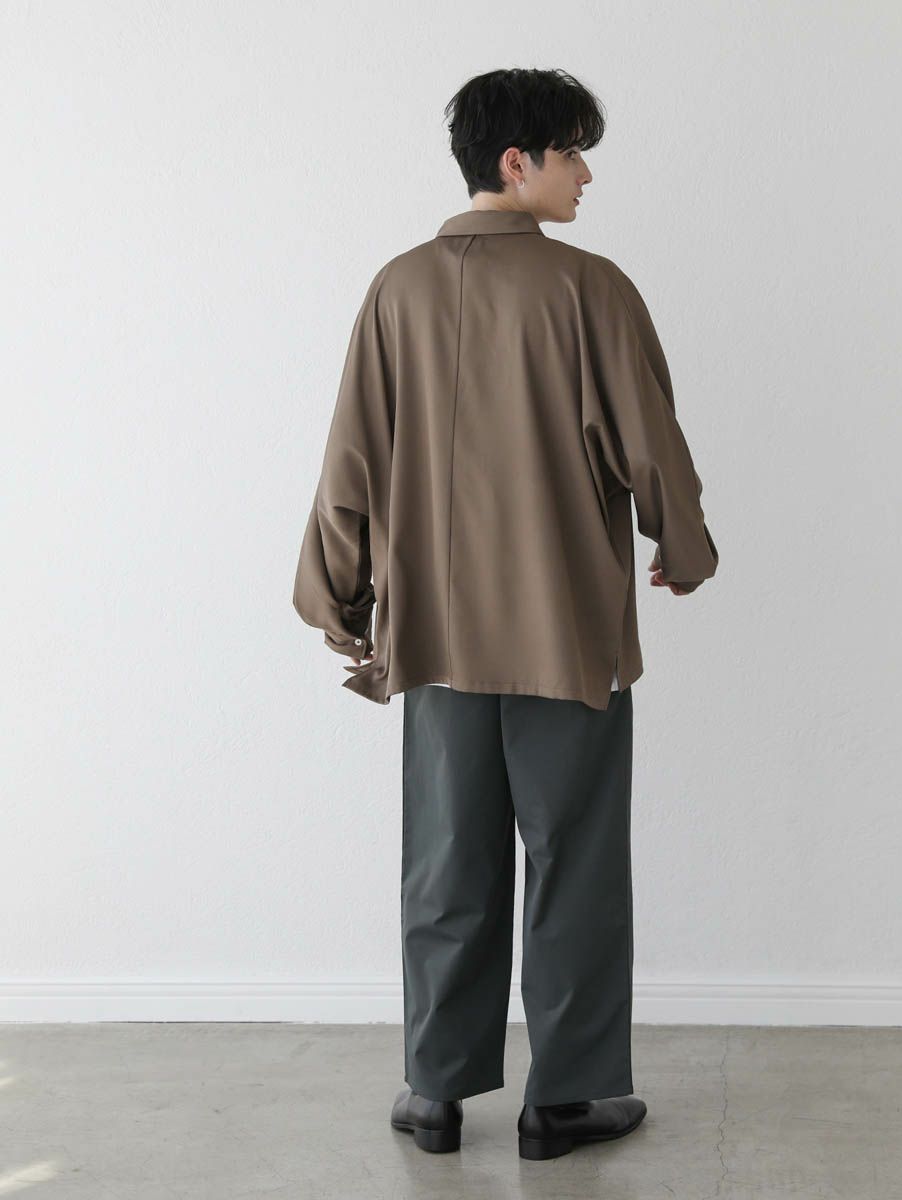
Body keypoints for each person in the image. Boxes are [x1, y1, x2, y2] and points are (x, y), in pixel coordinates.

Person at [292, 67, 719, 1160]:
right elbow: (649, 438)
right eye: (573, 153)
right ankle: (564, 1101)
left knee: (447, 862)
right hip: (563, 632)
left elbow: (352, 456)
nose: (586, 176)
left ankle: (434, 1093)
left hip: (436, 636)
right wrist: (681, 544)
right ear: (516, 161)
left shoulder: (396, 289)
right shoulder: (589, 289)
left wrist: (338, 591)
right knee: (574, 864)